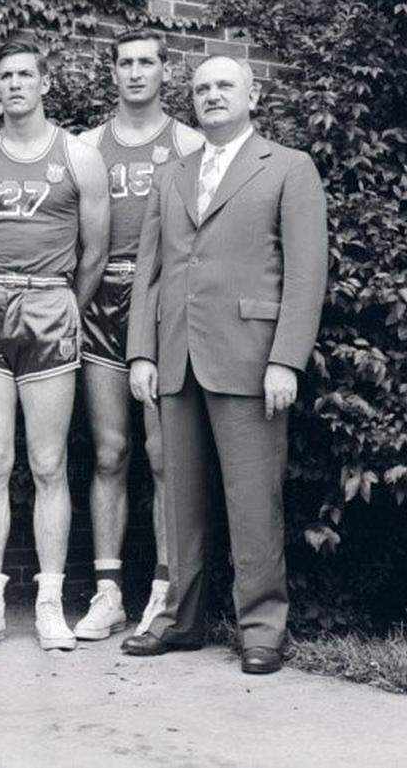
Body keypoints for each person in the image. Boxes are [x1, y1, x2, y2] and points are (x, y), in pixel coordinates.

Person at [120, 55, 328, 674]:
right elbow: (149, 271)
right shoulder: (172, 174)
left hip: (251, 358)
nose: (212, 95)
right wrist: (141, 352)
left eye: (224, 86)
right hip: (177, 356)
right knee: (179, 499)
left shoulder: (289, 168)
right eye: (203, 88)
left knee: (252, 499)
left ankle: (262, 628)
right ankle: (180, 620)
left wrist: (286, 360)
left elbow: (306, 273)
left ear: (251, 94)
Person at [0, 39, 109, 651]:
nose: (16, 84)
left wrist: (70, 302)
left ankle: (49, 603)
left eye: (26, 74)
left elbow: (94, 250)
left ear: (44, 82)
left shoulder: (79, 157)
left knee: (47, 464)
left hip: (50, 303)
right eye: (5, 76)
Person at [73, 30, 204, 641]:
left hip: (159, 308)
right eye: (124, 63)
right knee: (108, 452)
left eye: (145, 63)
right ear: (113, 73)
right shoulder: (85, 148)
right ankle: (108, 592)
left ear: (164, 73)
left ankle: (164, 589)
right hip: (102, 299)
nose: (134, 73)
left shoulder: (189, 144)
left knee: (162, 456)